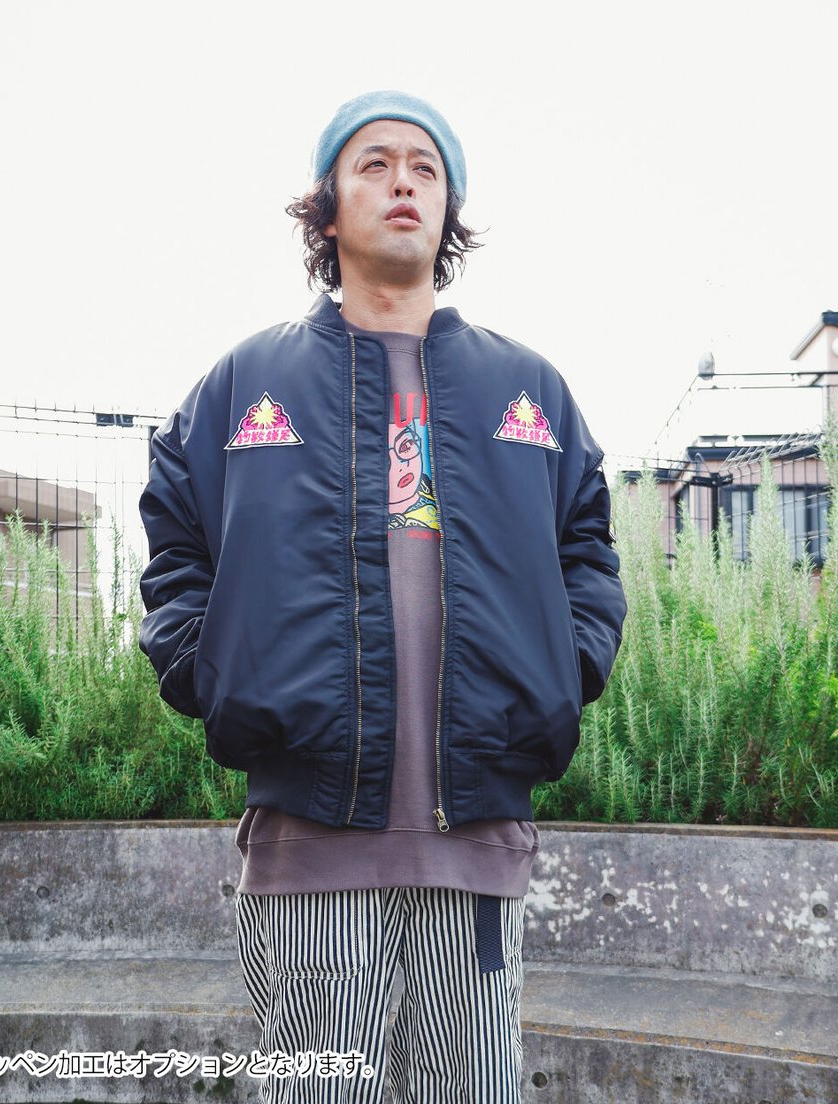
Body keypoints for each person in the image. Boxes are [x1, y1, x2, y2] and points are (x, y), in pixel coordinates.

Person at [138, 90, 627, 1104]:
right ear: (325, 211)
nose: (402, 179)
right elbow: (174, 541)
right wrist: (210, 673)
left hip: (477, 842)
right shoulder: (245, 383)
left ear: (448, 213)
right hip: (308, 841)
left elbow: (588, 547)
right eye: (373, 162)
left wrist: (565, 669)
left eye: (424, 167)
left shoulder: (529, 390)